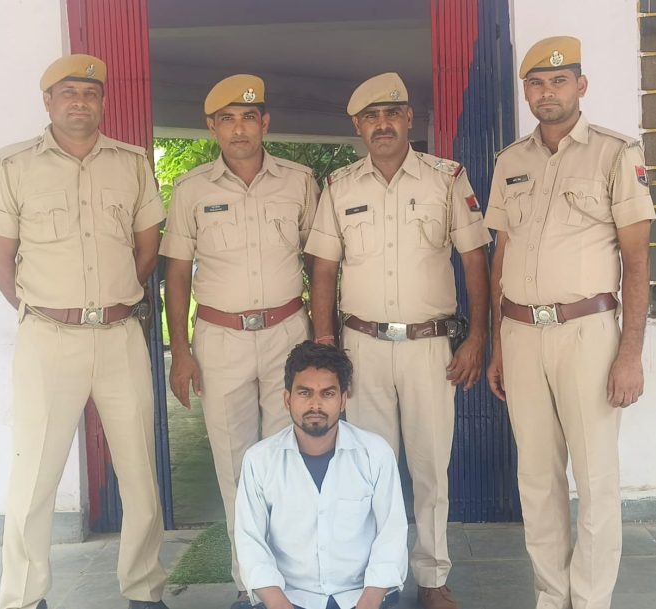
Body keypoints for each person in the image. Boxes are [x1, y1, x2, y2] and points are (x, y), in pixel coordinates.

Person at [0, 55, 169, 609]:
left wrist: (113, 302)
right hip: (48, 337)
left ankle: (144, 590)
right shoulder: (12, 165)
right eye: (68, 92)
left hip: (118, 335)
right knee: (35, 475)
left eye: (90, 93)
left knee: (139, 471)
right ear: (48, 101)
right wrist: (47, 311)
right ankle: (23, 596)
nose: (80, 102)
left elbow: (147, 248)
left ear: (103, 101)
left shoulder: (132, 164)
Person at [305, 72, 491, 609]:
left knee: (431, 468)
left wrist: (478, 336)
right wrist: (326, 342)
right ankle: (379, 579)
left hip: (430, 348)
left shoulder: (446, 178)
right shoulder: (340, 186)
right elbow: (324, 268)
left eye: (392, 113)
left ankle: (432, 578)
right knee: (369, 469)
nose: (382, 124)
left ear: (410, 118)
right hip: (361, 348)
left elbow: (474, 259)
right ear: (357, 126)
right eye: (371, 116)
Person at [484, 36, 655, 609]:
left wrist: (630, 353)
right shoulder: (510, 161)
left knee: (596, 478)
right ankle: (551, 597)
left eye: (559, 81)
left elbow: (637, 261)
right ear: (526, 92)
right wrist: (498, 345)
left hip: (588, 334)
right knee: (537, 479)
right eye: (536, 83)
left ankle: (591, 601)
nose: (547, 92)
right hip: (520, 334)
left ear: (580, 85)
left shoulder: (615, 153)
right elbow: (501, 255)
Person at [160, 74, 319, 607]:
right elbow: (176, 273)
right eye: (227, 119)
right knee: (235, 466)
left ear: (265, 122)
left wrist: (324, 338)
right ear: (212, 127)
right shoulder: (191, 190)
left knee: (288, 462)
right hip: (220, 339)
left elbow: (320, 262)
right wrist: (181, 351)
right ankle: (250, 586)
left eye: (249, 117)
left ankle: (292, 582)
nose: (239, 128)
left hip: (287, 335)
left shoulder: (298, 182)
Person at [234, 341, 408, 609]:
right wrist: (279, 604)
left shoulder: (375, 453)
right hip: (288, 598)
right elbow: (250, 542)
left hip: (360, 597)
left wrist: (369, 601)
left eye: (328, 394)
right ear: (287, 399)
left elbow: (391, 533)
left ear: (343, 400)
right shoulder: (259, 460)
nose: (315, 405)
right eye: (304, 393)